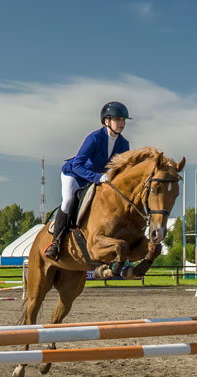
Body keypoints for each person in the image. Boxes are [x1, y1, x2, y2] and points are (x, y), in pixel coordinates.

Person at [44, 101, 132, 259]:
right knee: (68, 200)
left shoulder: (124, 144)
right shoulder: (94, 138)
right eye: (118, 119)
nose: (122, 123)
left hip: (97, 179)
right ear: (106, 121)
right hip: (75, 174)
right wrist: (97, 177)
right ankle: (55, 243)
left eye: (123, 120)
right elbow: (78, 164)